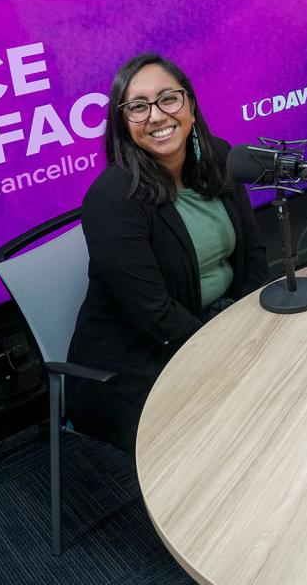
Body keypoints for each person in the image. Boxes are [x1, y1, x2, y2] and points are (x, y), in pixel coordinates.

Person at [68, 53, 270, 453]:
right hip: (136, 362)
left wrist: (255, 329)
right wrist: (230, 352)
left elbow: (254, 256)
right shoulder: (112, 200)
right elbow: (155, 314)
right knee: (235, 431)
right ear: (124, 125)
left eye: (168, 99)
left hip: (216, 323)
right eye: (138, 107)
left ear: (190, 105)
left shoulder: (218, 157)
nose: (157, 116)